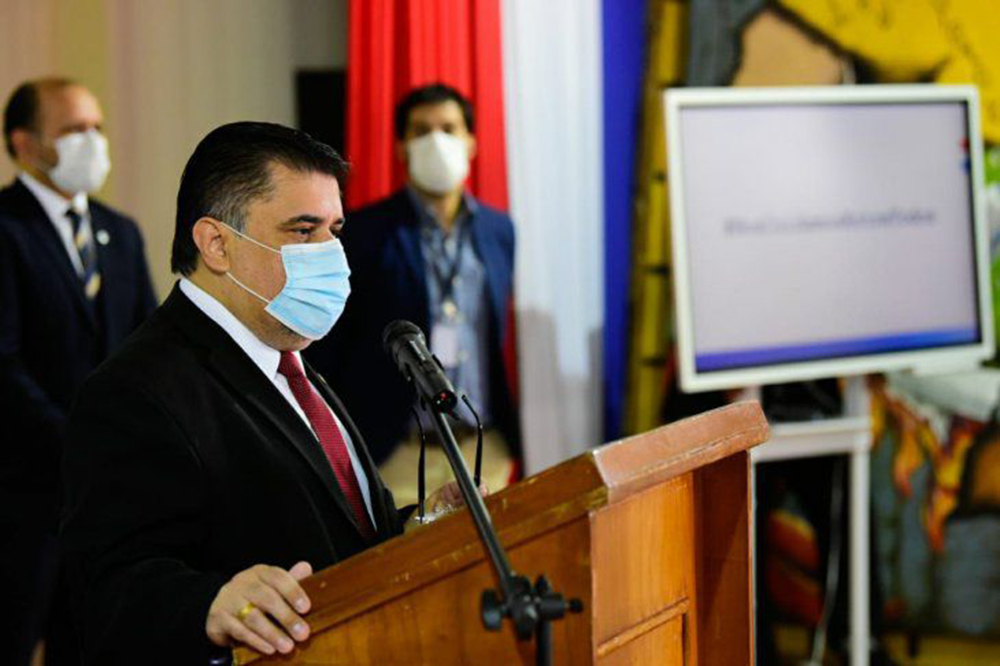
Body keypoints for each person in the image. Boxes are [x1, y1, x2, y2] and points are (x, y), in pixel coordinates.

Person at [60, 121, 471, 664]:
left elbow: (333, 532)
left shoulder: (292, 362)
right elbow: (108, 592)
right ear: (216, 244)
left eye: (334, 229)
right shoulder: (135, 390)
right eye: (303, 231)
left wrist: (420, 525)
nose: (331, 254)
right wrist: (210, 604)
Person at [0, 77, 157, 666]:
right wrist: (76, 439)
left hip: (105, 499)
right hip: (23, 496)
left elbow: (148, 345)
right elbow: (3, 362)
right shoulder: (6, 229)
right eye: (73, 130)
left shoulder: (121, 232)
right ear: (25, 143)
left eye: (97, 127)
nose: (91, 142)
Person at [305, 83, 520, 506]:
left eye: (449, 128)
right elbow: (330, 344)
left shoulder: (499, 230)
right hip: (398, 454)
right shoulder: (364, 232)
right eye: (421, 130)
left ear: (472, 142)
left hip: (483, 449)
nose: (436, 140)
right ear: (401, 147)